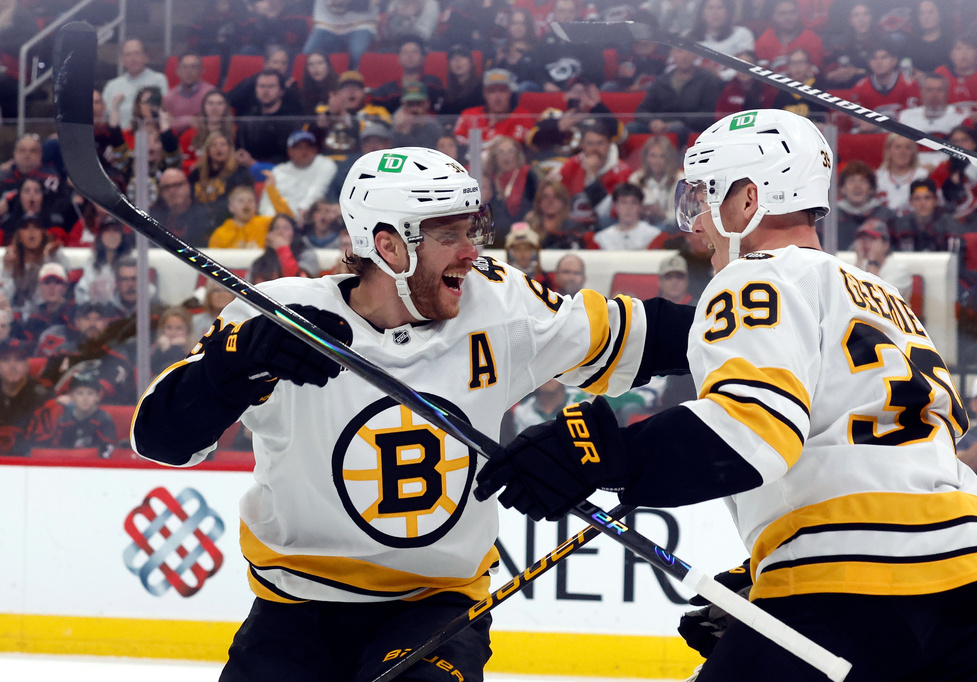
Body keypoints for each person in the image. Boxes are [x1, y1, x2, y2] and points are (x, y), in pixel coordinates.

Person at [475, 108, 977, 681]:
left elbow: (753, 432)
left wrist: (591, 450)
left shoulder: (755, 276)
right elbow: (889, 449)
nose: (697, 224)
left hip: (851, 587)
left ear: (747, 201)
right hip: (970, 597)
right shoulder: (878, 292)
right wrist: (758, 569)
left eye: (705, 199)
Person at [130, 145, 692, 682]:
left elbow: (648, 337)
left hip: (436, 607)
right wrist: (230, 368)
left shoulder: (498, 302)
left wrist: (749, 326)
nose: (472, 252)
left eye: (472, 231)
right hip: (295, 610)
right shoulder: (279, 317)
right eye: (449, 236)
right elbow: (161, 439)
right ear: (389, 247)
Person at [552, 119, 633, 227]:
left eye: (600, 143)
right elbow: (559, 201)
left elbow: (611, 215)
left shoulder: (622, 171)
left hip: (605, 228)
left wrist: (591, 176)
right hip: (573, 225)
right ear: (582, 145)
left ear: (609, 144)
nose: (595, 149)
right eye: (590, 143)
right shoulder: (572, 165)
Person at [630, 47, 722, 136]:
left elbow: (708, 113)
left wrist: (680, 121)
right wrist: (653, 122)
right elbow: (642, 110)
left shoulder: (707, 79)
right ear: (672, 54)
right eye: (680, 51)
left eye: (689, 51)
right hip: (661, 124)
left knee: (676, 129)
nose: (684, 56)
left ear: (695, 55)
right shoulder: (661, 80)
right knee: (632, 127)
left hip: (691, 127)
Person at [258, 131, 336, 222]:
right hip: (281, 222)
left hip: (309, 220)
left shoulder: (325, 164)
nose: (304, 151)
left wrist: (303, 210)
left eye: (308, 147)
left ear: (315, 150)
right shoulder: (278, 171)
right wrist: (274, 221)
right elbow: (266, 203)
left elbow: (317, 190)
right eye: (298, 147)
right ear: (289, 151)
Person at [235, 69, 305, 169]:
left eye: (271, 86)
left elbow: (290, 158)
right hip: (249, 175)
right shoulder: (248, 118)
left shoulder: (291, 120)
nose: (265, 91)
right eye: (261, 86)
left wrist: (254, 164)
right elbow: (240, 149)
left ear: (281, 91)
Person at [849, 40, 920, 132]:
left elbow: (912, 117)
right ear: (869, 62)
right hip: (871, 135)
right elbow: (857, 120)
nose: (879, 62)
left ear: (894, 61)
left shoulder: (909, 84)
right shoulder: (860, 87)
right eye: (874, 58)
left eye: (884, 57)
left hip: (901, 134)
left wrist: (879, 124)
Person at [188, 131, 256, 226]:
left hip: (229, 220)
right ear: (208, 150)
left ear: (229, 149)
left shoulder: (240, 171)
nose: (218, 148)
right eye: (214, 145)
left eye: (223, 145)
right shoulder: (196, 174)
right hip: (199, 221)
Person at [452, 69, 530, 151]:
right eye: (492, 91)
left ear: (510, 93)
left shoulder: (522, 116)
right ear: (484, 94)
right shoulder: (469, 114)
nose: (497, 97)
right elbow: (456, 140)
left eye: (502, 90)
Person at [101, 39, 169, 129]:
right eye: (128, 54)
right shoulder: (112, 85)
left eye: (137, 53)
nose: (133, 58)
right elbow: (103, 117)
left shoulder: (159, 80)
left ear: (145, 57)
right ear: (121, 60)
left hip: (151, 137)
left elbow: (164, 111)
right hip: (120, 138)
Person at [0, 339, 52, 456]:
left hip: (28, 460)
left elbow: (45, 441)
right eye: (5, 360)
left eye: (19, 360)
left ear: (27, 365)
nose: (12, 366)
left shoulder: (43, 395)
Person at [48, 371, 118, 458]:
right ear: (72, 397)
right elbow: (55, 451)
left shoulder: (104, 420)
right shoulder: (63, 421)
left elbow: (108, 452)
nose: (85, 398)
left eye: (90, 393)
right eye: (80, 393)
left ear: (98, 397)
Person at [370, 36, 444, 114]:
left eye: (414, 52)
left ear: (423, 58)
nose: (409, 55)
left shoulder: (433, 83)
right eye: (405, 52)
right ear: (398, 58)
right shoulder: (387, 90)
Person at [588, 183, 670, 250]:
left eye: (634, 203)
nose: (628, 207)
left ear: (641, 207)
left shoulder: (653, 235)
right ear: (615, 206)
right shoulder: (602, 238)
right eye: (623, 202)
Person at [835, 160, 895, 249]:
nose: (857, 186)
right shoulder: (831, 218)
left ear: (871, 189)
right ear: (842, 189)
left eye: (863, 181)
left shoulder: (887, 216)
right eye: (851, 181)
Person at [149, 168, 216, 247]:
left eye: (177, 185)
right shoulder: (154, 217)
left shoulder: (204, 215)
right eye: (166, 187)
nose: (172, 191)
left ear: (188, 186)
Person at [74, 217, 133, 307]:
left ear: (122, 236)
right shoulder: (93, 265)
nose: (112, 235)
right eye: (107, 231)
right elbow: (81, 293)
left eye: (116, 231)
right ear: (100, 236)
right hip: (98, 313)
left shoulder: (131, 262)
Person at [628, 136, 683, 230]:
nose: (657, 161)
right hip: (641, 225)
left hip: (671, 227)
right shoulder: (635, 179)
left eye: (662, 156)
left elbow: (683, 213)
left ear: (669, 158)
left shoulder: (681, 179)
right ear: (646, 158)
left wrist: (663, 215)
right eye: (653, 156)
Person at [890, 178, 961, 252]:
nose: (922, 203)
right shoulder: (900, 224)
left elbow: (956, 254)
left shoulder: (948, 222)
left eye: (927, 198)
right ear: (910, 202)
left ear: (936, 200)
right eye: (917, 198)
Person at [303, 0, 378, 68]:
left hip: (361, 24)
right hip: (327, 24)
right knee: (308, 54)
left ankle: (353, 80)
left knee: (357, 54)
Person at [851, 218, 913, 300]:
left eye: (871, 239)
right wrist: (859, 261)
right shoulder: (860, 265)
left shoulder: (900, 269)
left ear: (886, 244)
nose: (865, 244)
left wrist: (872, 262)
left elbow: (880, 299)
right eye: (863, 239)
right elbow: (848, 295)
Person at [754, 0, 824, 72]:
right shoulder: (764, 40)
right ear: (774, 16)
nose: (788, 17)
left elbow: (816, 71)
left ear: (799, 14)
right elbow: (761, 72)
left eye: (792, 12)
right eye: (783, 13)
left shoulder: (812, 39)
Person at [178, 89, 237, 173]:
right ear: (204, 107)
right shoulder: (190, 135)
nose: (214, 108)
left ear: (226, 107)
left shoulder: (236, 132)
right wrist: (197, 165)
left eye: (219, 103)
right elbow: (182, 162)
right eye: (210, 103)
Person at [935, 35, 977, 109]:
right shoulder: (941, 73)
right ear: (951, 54)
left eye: (969, 48)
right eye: (958, 49)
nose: (964, 53)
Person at [874, 134, 930, 216]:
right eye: (898, 147)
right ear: (889, 151)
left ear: (913, 152)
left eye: (907, 147)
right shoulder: (878, 177)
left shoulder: (923, 176)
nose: (902, 152)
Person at [163, 51, 216, 134]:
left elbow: (214, 122)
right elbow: (166, 125)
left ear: (202, 70)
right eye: (184, 67)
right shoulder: (168, 97)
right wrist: (189, 120)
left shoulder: (211, 94)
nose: (188, 71)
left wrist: (177, 121)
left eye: (193, 67)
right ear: (177, 71)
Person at [21, 263, 75, 347]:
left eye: (57, 283)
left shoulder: (75, 313)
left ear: (65, 287)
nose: (52, 287)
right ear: (39, 287)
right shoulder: (34, 317)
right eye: (47, 283)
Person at [209, 185, 276, 249]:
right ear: (231, 207)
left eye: (250, 200)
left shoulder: (265, 224)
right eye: (241, 201)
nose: (246, 204)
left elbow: (284, 217)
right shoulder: (220, 234)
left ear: (256, 206)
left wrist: (271, 189)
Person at [903, 0, 955, 75]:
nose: (926, 16)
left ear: (940, 14)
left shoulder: (951, 42)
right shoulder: (909, 43)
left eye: (931, 12)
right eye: (921, 13)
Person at [391, 82, 446, 150]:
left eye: (418, 103)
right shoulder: (396, 128)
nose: (414, 109)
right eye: (410, 104)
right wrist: (404, 132)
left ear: (427, 103)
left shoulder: (435, 128)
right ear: (403, 105)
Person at [437, 44, 485, 118]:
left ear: (471, 62)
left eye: (462, 57)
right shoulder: (445, 94)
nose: (458, 61)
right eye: (453, 58)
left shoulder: (481, 89)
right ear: (449, 65)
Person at [503, 222, 551, 288]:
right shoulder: (503, 279)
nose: (522, 253)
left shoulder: (547, 280)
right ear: (510, 253)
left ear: (535, 253)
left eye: (527, 249)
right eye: (517, 249)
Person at [151, 306, 197, 374]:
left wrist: (174, 347)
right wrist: (162, 350)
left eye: (179, 328)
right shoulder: (156, 349)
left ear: (188, 330)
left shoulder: (196, 350)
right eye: (169, 327)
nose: (173, 333)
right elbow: (157, 370)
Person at [299, 51, 339, 117]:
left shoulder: (339, 88)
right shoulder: (303, 93)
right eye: (311, 64)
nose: (315, 68)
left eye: (320, 63)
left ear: (328, 66)